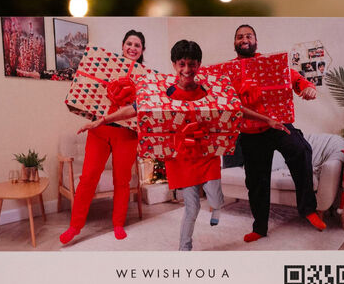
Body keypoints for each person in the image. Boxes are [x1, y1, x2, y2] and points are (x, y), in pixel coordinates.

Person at [80, 40, 286, 250]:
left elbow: (236, 108)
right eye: (182, 64)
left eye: (192, 64)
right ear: (174, 65)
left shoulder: (208, 91)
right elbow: (135, 108)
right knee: (192, 206)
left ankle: (216, 210)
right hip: (182, 158)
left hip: (207, 154)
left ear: (199, 65)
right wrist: (102, 120)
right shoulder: (164, 93)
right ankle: (184, 248)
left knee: (216, 199)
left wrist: (267, 119)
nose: (187, 70)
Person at [231, 24, 325, 243]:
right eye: (239, 37)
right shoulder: (229, 70)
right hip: (250, 132)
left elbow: (295, 79)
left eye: (248, 35)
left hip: (278, 124)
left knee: (301, 149)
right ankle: (260, 228)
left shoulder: (270, 63)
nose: (244, 39)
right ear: (235, 43)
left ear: (255, 41)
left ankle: (308, 209)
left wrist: (306, 88)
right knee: (255, 181)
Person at [59, 30, 146, 245]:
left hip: (127, 134)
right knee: (88, 177)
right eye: (129, 43)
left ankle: (118, 224)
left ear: (142, 50)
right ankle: (75, 227)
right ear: (123, 45)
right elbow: (88, 94)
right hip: (100, 130)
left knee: (122, 180)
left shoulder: (146, 77)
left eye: (137, 45)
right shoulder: (106, 68)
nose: (133, 47)